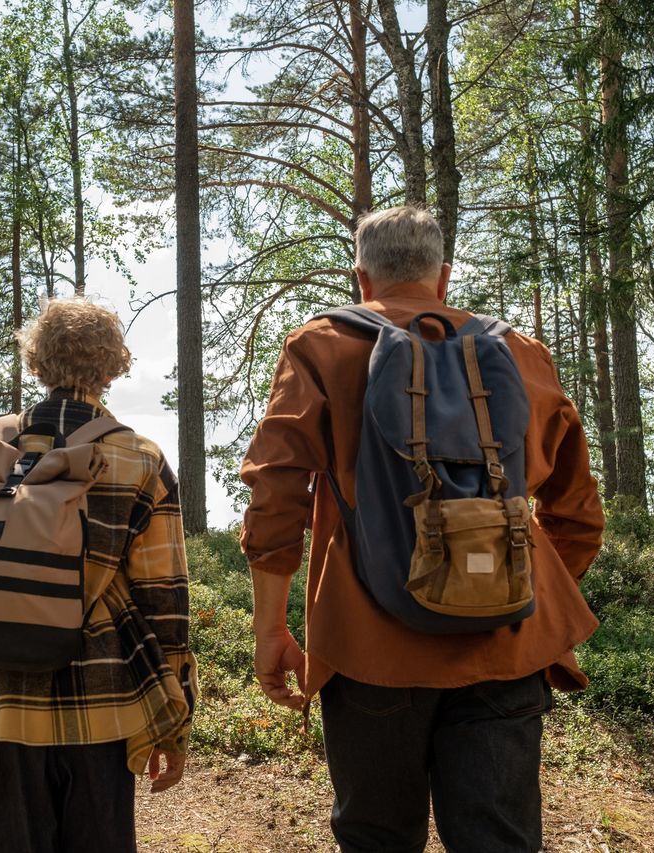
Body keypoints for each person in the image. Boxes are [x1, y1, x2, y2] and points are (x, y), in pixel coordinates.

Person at [240, 206, 605, 853]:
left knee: (378, 837)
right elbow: (577, 515)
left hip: (369, 654)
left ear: (362, 279)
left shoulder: (320, 345)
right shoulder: (522, 354)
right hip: (505, 648)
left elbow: (276, 496)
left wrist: (271, 627)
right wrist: (503, 587)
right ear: (443, 279)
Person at [0, 298, 197, 853]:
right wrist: (176, 715)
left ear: (37, 362)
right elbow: (163, 600)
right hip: (102, 705)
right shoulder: (138, 459)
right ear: (113, 365)